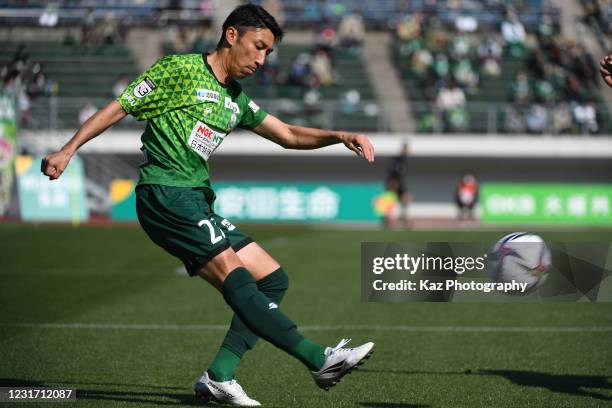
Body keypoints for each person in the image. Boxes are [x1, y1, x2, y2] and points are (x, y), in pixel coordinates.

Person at [40, 4, 375, 407]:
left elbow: (287, 134)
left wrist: (339, 134)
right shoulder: (177, 70)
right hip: (164, 194)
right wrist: (67, 149)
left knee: (272, 278)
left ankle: (219, 376)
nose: (261, 59)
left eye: (268, 52)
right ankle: (318, 358)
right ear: (231, 35)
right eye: (258, 46)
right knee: (238, 280)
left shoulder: (235, 98)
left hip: (196, 200)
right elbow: (120, 106)